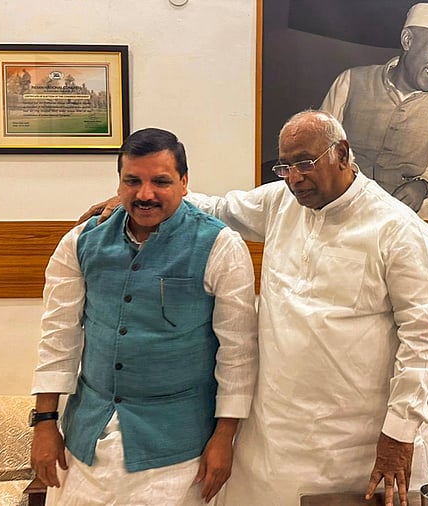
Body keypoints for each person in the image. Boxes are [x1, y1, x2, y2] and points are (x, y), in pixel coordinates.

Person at [83, 110, 428, 506]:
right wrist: (140, 200)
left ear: (342, 153)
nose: (295, 177)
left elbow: (424, 342)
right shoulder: (281, 202)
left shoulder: (400, 229)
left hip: (357, 437)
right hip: (276, 428)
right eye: (286, 167)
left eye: (305, 163)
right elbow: (219, 209)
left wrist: (399, 432)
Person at [31, 128, 258, 505]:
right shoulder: (81, 241)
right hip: (87, 436)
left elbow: (238, 353)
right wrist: (44, 423)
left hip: (179, 449)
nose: (145, 194)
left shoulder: (220, 245)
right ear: (119, 183)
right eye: (132, 181)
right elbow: (58, 336)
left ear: (185, 183)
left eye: (161, 181)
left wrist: (225, 436)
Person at [320, 2, 428, 215]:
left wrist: (423, 186)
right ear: (407, 40)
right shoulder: (351, 80)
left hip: (407, 211)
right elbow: (320, 148)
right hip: (342, 200)